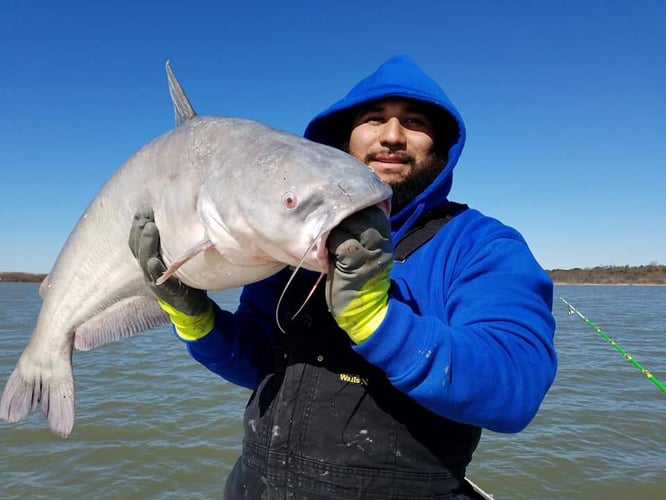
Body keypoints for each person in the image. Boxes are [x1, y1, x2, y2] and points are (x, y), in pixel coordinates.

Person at [129, 55, 557, 499]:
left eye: (413, 122)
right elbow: (258, 363)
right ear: (343, 139)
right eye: (374, 119)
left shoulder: (481, 245)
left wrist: (375, 321)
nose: (392, 136)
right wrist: (195, 316)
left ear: (441, 144)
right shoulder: (285, 243)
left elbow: (516, 388)